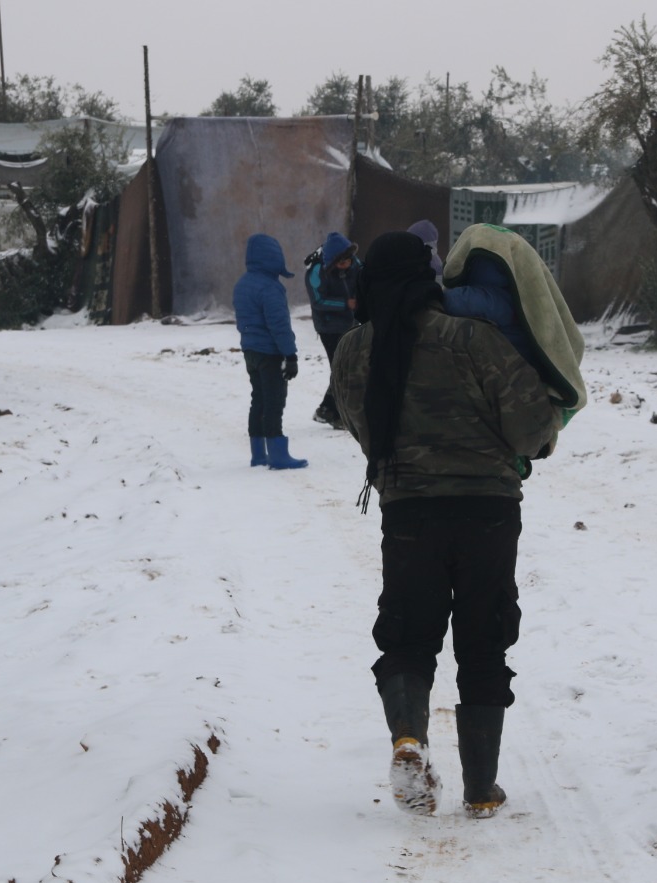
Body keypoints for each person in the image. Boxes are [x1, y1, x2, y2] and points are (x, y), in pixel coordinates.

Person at [331, 231, 560, 819]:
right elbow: (532, 427)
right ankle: (481, 789)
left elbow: (361, 427)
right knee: (485, 640)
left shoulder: (356, 351)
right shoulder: (474, 339)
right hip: (488, 511)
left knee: (407, 636)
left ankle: (408, 736)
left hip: (407, 511)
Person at [233, 233, 307, 470]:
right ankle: (277, 454)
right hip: (270, 352)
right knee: (274, 401)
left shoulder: (243, 284)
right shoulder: (270, 287)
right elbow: (279, 325)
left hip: (250, 351)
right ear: (273, 258)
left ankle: (258, 454)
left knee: (259, 399)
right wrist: (291, 355)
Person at [304, 231, 361, 428]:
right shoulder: (317, 271)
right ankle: (331, 411)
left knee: (348, 367)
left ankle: (328, 409)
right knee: (341, 368)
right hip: (329, 327)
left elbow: (364, 281)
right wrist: (346, 304)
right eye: (341, 262)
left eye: (348, 260)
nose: (346, 264)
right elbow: (318, 300)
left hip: (350, 324)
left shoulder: (356, 265)